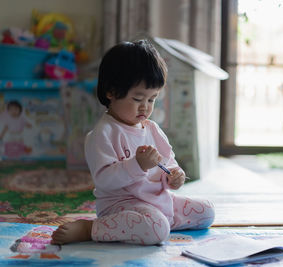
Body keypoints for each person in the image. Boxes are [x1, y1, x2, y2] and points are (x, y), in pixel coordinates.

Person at [51, 40, 215, 246]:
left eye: (152, 99)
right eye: (138, 99)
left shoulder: (152, 129)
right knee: (157, 228)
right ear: (111, 92)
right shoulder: (102, 134)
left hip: (158, 201)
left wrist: (174, 175)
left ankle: (156, 223)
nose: (145, 107)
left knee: (207, 212)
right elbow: (104, 180)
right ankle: (91, 228)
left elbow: (168, 162)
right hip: (122, 206)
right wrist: (137, 165)